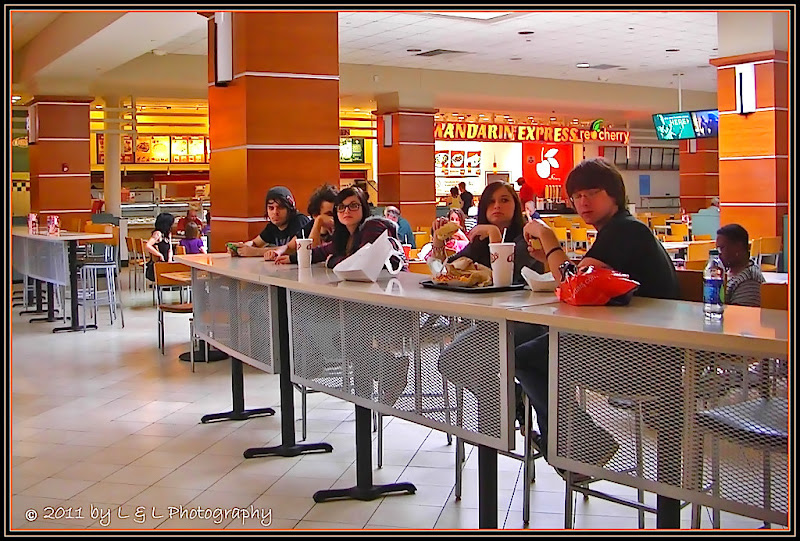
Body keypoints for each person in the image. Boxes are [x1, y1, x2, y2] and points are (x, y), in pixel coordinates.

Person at [515, 158, 679, 475]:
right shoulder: (620, 230)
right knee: (523, 345)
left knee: (528, 356)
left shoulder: (626, 230)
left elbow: (572, 284)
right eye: (576, 196)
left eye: (592, 192)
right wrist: (549, 256)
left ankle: (577, 443)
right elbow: (583, 282)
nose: (583, 202)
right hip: (633, 342)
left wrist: (549, 240)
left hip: (646, 356)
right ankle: (570, 442)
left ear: (614, 195)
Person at [429, 181, 544, 284]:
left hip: (525, 304)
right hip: (483, 305)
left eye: (504, 200)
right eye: (491, 201)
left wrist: (494, 234)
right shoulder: (481, 239)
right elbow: (446, 270)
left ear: (516, 205)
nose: (497, 206)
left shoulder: (528, 238)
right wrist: (438, 240)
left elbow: (504, 280)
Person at [277, 186, 402, 270]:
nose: (346, 211)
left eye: (353, 205)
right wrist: (291, 259)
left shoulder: (373, 226)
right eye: (341, 207)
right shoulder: (345, 235)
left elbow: (359, 264)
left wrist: (331, 260)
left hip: (395, 293)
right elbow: (319, 252)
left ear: (363, 208)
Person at [228, 186, 311, 257]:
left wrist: (254, 252)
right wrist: (241, 247)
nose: (275, 212)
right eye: (271, 208)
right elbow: (255, 243)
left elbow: (293, 249)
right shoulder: (273, 226)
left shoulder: (300, 221)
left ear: (290, 209)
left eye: (280, 207)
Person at [266, 184, 338, 263]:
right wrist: (278, 252)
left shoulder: (342, 229)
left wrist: (319, 221)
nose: (335, 218)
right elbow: (290, 246)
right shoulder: (311, 225)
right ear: (315, 215)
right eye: (329, 214)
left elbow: (312, 254)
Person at [716, 223, 765, 307]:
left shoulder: (749, 282)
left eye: (722, 248)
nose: (719, 253)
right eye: (718, 248)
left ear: (738, 247)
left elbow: (741, 315)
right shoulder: (730, 271)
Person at [144, 212, 175, 281]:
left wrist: (170, 260)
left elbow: (170, 248)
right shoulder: (158, 234)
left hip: (167, 262)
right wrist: (159, 255)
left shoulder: (168, 234)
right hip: (159, 264)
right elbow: (148, 245)